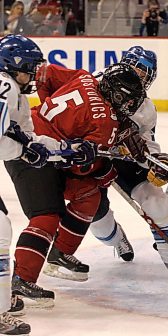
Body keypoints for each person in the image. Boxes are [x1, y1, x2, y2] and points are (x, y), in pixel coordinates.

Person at [5, 61, 145, 306]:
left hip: (37, 138)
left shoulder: (84, 77)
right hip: (31, 154)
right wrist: (106, 169)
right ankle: (20, 280)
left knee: (90, 195)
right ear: (115, 93)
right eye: (128, 100)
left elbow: (45, 75)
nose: (129, 106)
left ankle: (61, 252)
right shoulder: (106, 123)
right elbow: (82, 168)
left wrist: (54, 119)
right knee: (47, 216)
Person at [85, 46, 168, 272]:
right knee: (95, 215)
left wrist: (156, 162)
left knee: (156, 200)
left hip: (122, 158)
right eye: (135, 68)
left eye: (144, 73)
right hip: (90, 156)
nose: (138, 76)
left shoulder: (146, 108)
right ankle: (116, 239)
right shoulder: (93, 83)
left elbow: (147, 144)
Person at [0, 33, 58, 336]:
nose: (34, 74)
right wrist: (24, 151)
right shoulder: (6, 85)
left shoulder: (16, 94)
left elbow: (29, 137)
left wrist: (66, 148)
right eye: (31, 67)